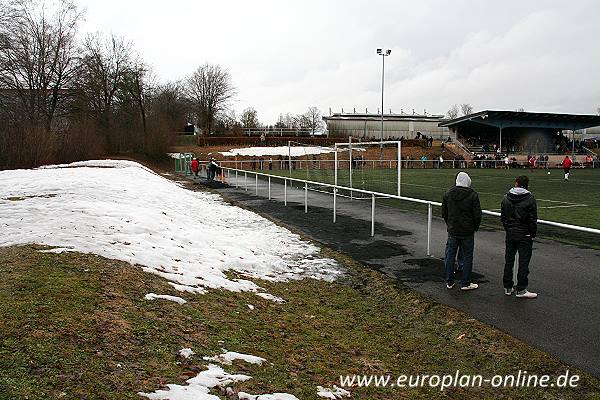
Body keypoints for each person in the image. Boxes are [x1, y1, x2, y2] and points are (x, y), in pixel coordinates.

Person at [442, 172, 482, 291]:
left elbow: (444, 213)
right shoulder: (473, 195)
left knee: (450, 256)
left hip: (453, 230)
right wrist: (474, 227)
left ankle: (449, 281)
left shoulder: (448, 194)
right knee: (467, 256)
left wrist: (450, 224)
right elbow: (477, 215)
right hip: (467, 231)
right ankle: (465, 283)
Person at [501, 175, 538, 299]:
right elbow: (533, 219)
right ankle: (521, 289)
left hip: (511, 233)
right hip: (524, 234)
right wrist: (532, 234)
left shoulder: (506, 198)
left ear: (516, 183)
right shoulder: (530, 198)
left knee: (509, 261)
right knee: (523, 262)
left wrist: (509, 229)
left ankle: (507, 287)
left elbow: (504, 218)